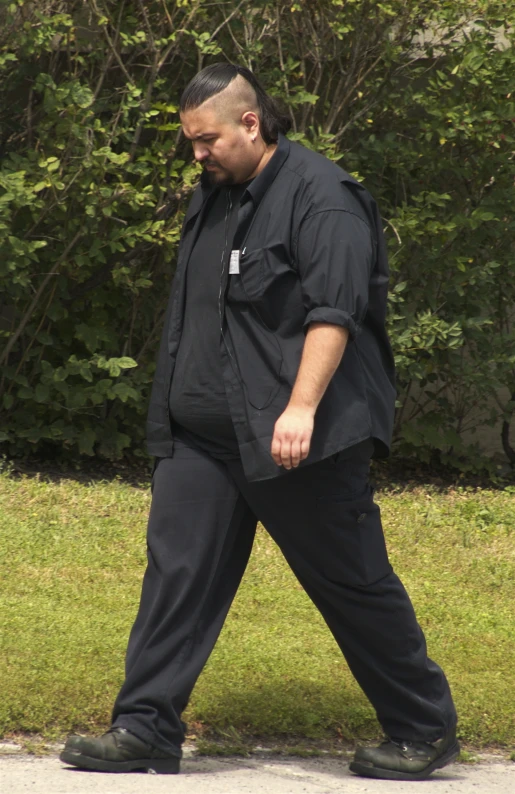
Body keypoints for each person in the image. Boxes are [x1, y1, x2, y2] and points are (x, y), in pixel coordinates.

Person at [60, 63, 458, 780]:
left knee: (351, 581)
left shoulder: (324, 199)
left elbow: (334, 314)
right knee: (176, 575)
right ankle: (146, 727)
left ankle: (421, 730)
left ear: (250, 123)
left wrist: (300, 408)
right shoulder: (214, 195)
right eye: (189, 142)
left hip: (293, 440)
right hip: (201, 441)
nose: (197, 154)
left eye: (206, 139)